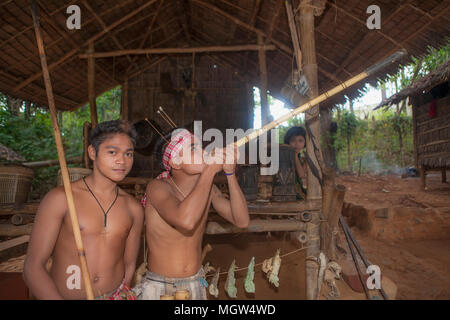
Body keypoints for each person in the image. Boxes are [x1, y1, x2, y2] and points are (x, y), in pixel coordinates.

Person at [23, 120, 144, 300]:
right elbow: (33, 267)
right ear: (92, 152)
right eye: (112, 152)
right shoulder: (62, 199)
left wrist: (120, 296)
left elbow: (129, 265)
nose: (122, 161)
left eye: (128, 154)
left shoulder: (133, 208)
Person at [134, 128, 249, 300]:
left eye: (201, 147)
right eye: (194, 148)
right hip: (161, 287)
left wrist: (230, 173)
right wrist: (210, 171)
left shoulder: (208, 189)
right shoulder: (158, 187)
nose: (203, 152)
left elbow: (241, 221)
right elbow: (185, 221)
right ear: (176, 162)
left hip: (195, 283)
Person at [284, 126, 307, 200]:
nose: (297, 144)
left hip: (302, 192)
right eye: (293, 140)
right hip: (287, 192)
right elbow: (301, 175)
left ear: (305, 143)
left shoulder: (303, 159)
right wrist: (295, 155)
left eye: (300, 141)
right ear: (288, 142)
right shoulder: (284, 157)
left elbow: (303, 176)